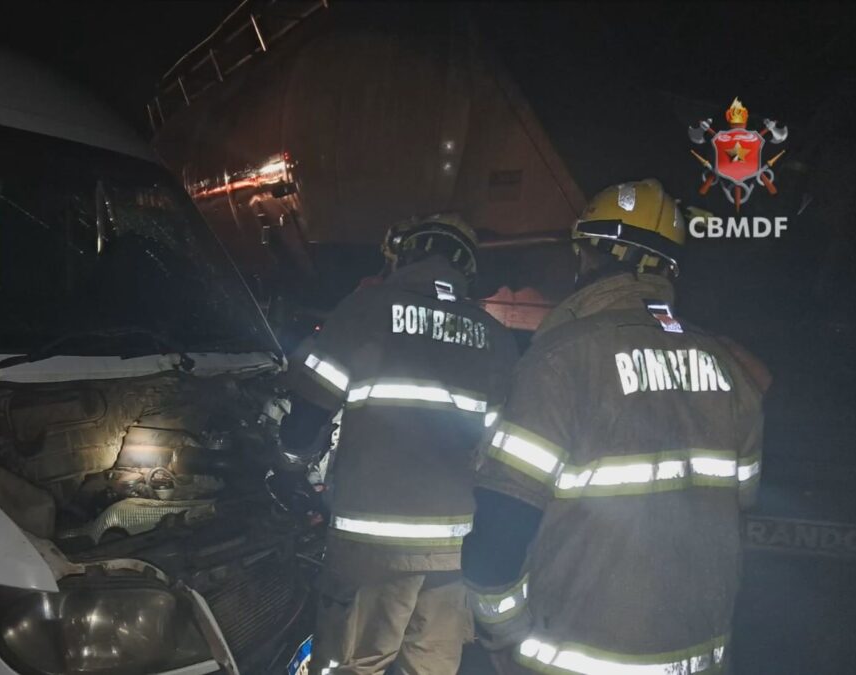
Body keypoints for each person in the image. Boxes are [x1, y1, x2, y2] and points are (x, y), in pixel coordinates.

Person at [467, 179, 765, 674]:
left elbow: (497, 535)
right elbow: (741, 506)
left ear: (589, 257)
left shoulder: (561, 361)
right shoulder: (729, 369)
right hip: (698, 659)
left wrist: (504, 633)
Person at [278, 215, 518, 675]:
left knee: (352, 664)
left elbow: (308, 414)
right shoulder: (495, 338)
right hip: (453, 551)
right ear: (467, 269)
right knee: (432, 666)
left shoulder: (366, 309)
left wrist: (288, 466)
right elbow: (497, 449)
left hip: (371, 547)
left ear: (403, 255)